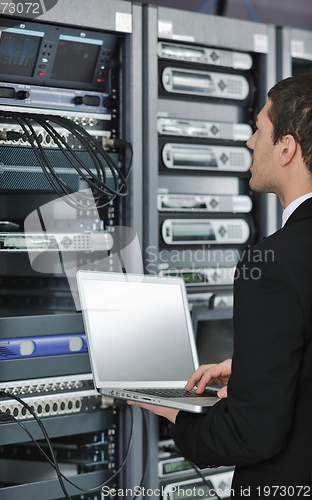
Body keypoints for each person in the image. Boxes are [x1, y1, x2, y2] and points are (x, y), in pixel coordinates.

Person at [129, 73, 312, 499]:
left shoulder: (272, 264)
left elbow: (250, 436)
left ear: (287, 148)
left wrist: (173, 410)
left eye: (260, 129)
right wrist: (257, 368)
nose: (250, 142)